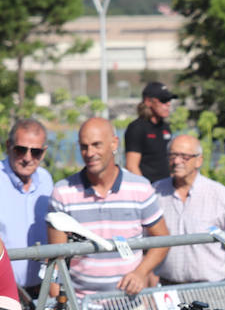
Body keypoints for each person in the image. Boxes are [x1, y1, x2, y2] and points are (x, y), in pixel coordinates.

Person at [47, 118, 170, 296]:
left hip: (130, 303)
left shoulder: (141, 188)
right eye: (84, 146)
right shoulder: (63, 192)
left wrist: (141, 272)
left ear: (114, 144)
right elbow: (54, 258)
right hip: (81, 307)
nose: (89, 153)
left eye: (96, 145)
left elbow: (163, 239)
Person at [153, 135, 225, 284]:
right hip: (168, 288)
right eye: (173, 155)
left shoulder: (221, 195)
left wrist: (211, 260)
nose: (177, 161)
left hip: (210, 288)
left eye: (185, 156)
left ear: (199, 160)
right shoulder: (156, 191)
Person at [0, 118, 52, 293]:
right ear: (9, 145)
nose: (27, 158)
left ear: (43, 152)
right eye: (21, 149)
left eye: (35, 152)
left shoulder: (46, 180)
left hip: (38, 291)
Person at [124, 82, 176, 183]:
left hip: (165, 189)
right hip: (147, 189)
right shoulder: (136, 128)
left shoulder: (166, 127)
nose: (168, 104)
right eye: (163, 100)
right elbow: (131, 166)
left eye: (169, 100)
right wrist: (147, 190)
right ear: (148, 101)